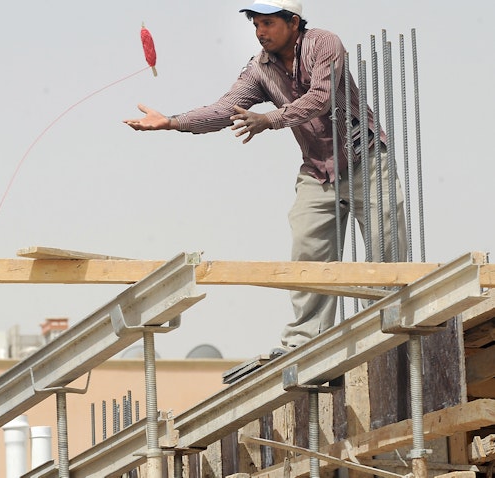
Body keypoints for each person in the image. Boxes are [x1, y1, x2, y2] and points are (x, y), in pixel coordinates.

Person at [124, 0, 407, 357]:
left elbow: (320, 98)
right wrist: (173, 121)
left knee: (387, 253)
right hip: (319, 170)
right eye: (256, 24)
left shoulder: (324, 44)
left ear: (293, 22)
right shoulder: (259, 69)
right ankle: (307, 342)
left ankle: (385, 328)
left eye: (268, 23)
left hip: (364, 160)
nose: (260, 32)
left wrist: (270, 119)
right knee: (308, 255)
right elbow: (226, 109)